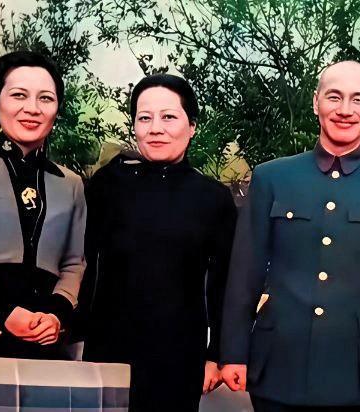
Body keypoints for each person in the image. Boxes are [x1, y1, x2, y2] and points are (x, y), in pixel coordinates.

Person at [220, 60, 360, 411]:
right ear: (316, 103)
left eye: (359, 99)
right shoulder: (273, 178)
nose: (345, 110)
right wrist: (234, 352)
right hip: (278, 366)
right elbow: (245, 272)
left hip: (358, 371)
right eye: (334, 96)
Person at [79, 73, 237, 411]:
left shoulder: (212, 198)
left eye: (168, 117)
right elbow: (83, 262)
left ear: (191, 126)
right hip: (108, 350)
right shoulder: (107, 186)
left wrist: (216, 355)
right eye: (144, 118)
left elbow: (223, 283)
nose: (155, 129)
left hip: (178, 355)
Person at [0, 51, 86, 358]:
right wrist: (4, 309)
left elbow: (74, 263)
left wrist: (57, 314)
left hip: (43, 339)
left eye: (45, 98)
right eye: (19, 95)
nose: (32, 108)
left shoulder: (71, 183)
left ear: (57, 108)